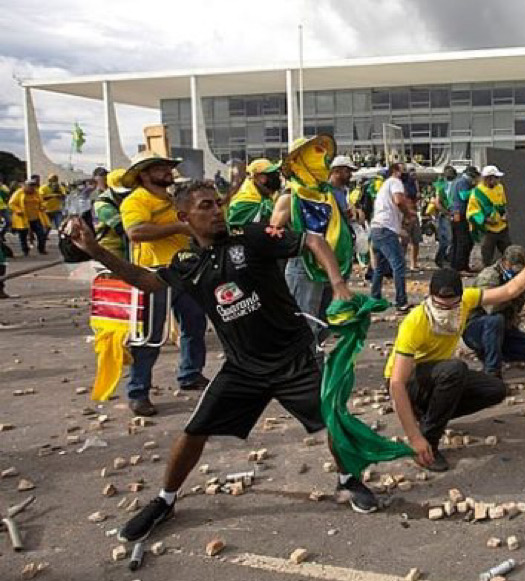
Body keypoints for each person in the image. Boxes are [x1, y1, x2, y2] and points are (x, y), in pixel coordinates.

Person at [64, 180, 384, 545]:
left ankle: (347, 480)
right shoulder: (187, 263)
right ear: (184, 217)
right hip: (243, 368)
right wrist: (93, 249)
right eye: (205, 206)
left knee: (334, 421)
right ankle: (165, 500)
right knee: (193, 432)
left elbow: (312, 240)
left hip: (294, 359)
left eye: (217, 203)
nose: (216, 210)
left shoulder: (251, 235)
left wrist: (339, 284)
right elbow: (144, 280)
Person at [386, 242, 525, 472]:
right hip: (409, 382)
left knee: (496, 389)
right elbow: (396, 382)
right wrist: (414, 438)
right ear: (430, 298)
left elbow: (511, 290)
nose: (447, 311)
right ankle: (428, 442)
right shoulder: (415, 322)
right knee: (454, 369)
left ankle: (430, 415)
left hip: (437, 376)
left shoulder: (468, 300)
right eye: (441, 306)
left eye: (453, 305)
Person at [120, 151, 210, 416]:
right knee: (150, 336)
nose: (168, 171)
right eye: (160, 168)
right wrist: (178, 228)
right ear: (144, 175)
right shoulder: (136, 200)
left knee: (195, 323)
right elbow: (135, 232)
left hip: (183, 270)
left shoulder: (171, 199)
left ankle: (190, 374)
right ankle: (138, 391)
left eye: (168, 167)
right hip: (153, 275)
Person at [271, 136, 355, 351]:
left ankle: (312, 361)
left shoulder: (325, 194)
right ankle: (303, 372)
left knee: (326, 321)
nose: (323, 161)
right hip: (304, 267)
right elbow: (275, 233)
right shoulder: (291, 195)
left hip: (331, 266)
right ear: (302, 161)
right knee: (305, 325)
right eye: (315, 155)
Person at [464, 245, 525, 378]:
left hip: (504, 329)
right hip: (478, 327)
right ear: (505, 263)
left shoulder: (516, 274)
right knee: (496, 320)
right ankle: (492, 372)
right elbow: (492, 308)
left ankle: (492, 352)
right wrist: (513, 290)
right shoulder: (489, 276)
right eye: (514, 269)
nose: (517, 273)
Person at [369, 162, 415, 311]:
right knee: (399, 265)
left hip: (377, 228)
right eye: (403, 169)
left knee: (380, 267)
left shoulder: (384, 185)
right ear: (395, 171)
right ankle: (401, 302)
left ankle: (375, 298)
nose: (406, 172)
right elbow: (398, 200)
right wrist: (408, 213)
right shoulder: (395, 181)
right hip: (385, 229)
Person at [468, 165, 510, 268]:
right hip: (488, 230)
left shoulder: (500, 188)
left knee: (509, 253)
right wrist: (486, 220)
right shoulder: (477, 193)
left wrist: (505, 214)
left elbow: (503, 204)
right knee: (487, 255)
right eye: (496, 178)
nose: (498, 180)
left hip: (502, 228)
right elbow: (472, 213)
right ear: (488, 178)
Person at [226, 159, 281, 228]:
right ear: (256, 176)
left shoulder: (264, 195)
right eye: (269, 175)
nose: (274, 178)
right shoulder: (244, 200)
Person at [92, 168, 132, 260]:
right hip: (111, 249)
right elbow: (123, 228)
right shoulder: (102, 205)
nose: (125, 196)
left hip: (128, 247)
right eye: (121, 193)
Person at [449, 166, 478, 273]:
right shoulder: (463, 182)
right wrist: (475, 190)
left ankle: (456, 265)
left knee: (457, 241)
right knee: (464, 241)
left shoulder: (457, 182)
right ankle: (460, 267)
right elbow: (464, 196)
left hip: (456, 214)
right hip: (460, 214)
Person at [9, 177, 49, 256]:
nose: (32, 187)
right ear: (26, 185)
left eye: (34, 186)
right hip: (23, 218)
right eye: (30, 185)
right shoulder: (19, 193)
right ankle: (25, 250)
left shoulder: (36, 193)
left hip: (35, 218)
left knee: (41, 234)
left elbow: (42, 202)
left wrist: (43, 206)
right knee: (23, 236)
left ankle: (41, 249)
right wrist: (17, 210)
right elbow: (11, 204)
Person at [432, 166, 456, 268]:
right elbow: (437, 202)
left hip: (448, 214)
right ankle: (441, 259)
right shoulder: (442, 186)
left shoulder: (447, 185)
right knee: (447, 239)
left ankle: (445, 259)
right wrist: (446, 212)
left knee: (449, 239)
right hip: (445, 215)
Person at [402, 167, 422, 271]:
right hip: (406, 214)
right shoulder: (403, 185)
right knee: (404, 241)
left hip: (413, 212)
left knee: (415, 240)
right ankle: (403, 263)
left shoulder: (414, 184)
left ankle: (413, 263)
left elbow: (418, 196)